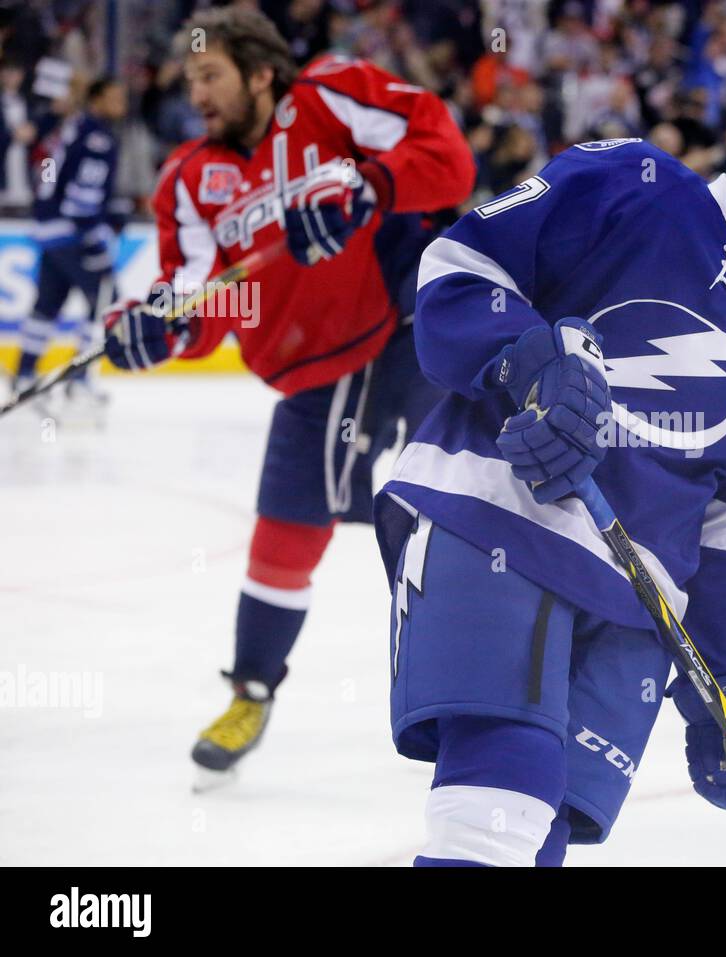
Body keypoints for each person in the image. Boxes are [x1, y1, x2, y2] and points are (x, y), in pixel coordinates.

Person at [375, 43, 726, 866]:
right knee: (497, 803)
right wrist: (526, 360)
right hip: (497, 512)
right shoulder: (629, 183)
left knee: (543, 835)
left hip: (637, 603)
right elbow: (456, 270)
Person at [100, 7, 475, 784]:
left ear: (261, 73)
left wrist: (371, 185)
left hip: (404, 328)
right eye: (189, 77)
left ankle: (476, 695)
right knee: (282, 534)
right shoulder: (186, 183)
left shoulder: (330, 96)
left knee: (442, 514)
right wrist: (155, 330)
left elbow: (445, 153)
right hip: (312, 369)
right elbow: (207, 303)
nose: (194, 91)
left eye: (211, 75)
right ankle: (251, 690)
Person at [12, 77, 127, 420]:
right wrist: (96, 235)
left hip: (48, 227)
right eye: (115, 96)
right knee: (105, 299)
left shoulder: (72, 127)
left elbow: (48, 173)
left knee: (47, 305)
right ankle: (79, 378)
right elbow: (82, 196)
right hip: (71, 231)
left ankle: (23, 376)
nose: (121, 103)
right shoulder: (98, 137)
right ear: (97, 99)